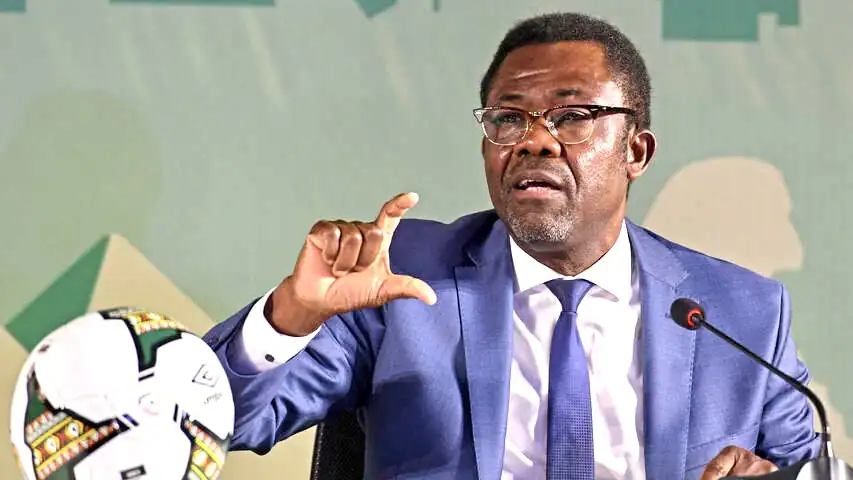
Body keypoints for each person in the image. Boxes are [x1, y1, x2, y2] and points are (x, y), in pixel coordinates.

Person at [203, 12, 819, 480]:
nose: (534, 141)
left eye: (572, 117)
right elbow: (214, 419)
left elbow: (811, 467)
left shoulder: (742, 313)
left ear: (636, 151)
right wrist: (292, 315)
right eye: (508, 118)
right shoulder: (400, 277)